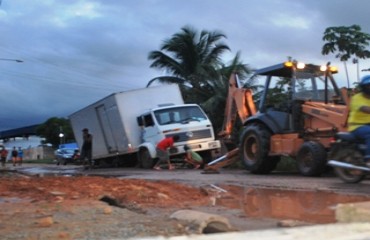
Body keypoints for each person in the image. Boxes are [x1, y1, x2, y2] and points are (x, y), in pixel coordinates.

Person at [348, 75, 370, 166]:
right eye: (368, 86)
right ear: (364, 87)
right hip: (357, 126)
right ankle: (368, 160)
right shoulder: (356, 98)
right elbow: (365, 109)